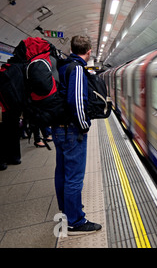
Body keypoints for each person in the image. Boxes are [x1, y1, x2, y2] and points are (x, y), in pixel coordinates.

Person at [51, 35, 101, 234]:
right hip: (72, 130)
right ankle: (75, 221)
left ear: (71, 48)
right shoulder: (78, 68)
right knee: (74, 177)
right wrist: (84, 126)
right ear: (88, 51)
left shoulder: (62, 66)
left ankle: (66, 211)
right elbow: (76, 102)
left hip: (58, 128)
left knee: (62, 172)